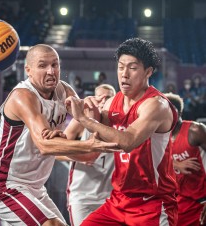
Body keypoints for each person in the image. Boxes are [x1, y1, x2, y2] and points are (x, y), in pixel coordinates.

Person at [0, 44, 118, 226]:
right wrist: (90, 144)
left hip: (36, 188)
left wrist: (94, 108)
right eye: (43, 66)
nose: (51, 71)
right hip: (5, 186)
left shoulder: (63, 91)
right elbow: (45, 146)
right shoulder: (22, 96)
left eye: (55, 65)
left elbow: (88, 142)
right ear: (28, 70)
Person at [65, 38, 178, 226]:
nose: (124, 74)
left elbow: (128, 141)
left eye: (132, 68)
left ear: (148, 72)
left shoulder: (156, 105)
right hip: (118, 200)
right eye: (120, 67)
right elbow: (95, 142)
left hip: (153, 202)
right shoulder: (112, 103)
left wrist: (85, 119)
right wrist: (87, 111)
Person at [63, 84, 116, 226]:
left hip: (110, 197)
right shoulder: (81, 120)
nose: (104, 100)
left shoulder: (119, 124)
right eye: (100, 97)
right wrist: (82, 156)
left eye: (109, 97)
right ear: (93, 99)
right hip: (82, 195)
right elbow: (57, 150)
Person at [164, 92, 206, 226]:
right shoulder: (159, 136)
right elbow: (146, 161)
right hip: (179, 200)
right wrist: (175, 164)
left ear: (176, 112)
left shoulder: (195, 130)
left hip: (201, 200)